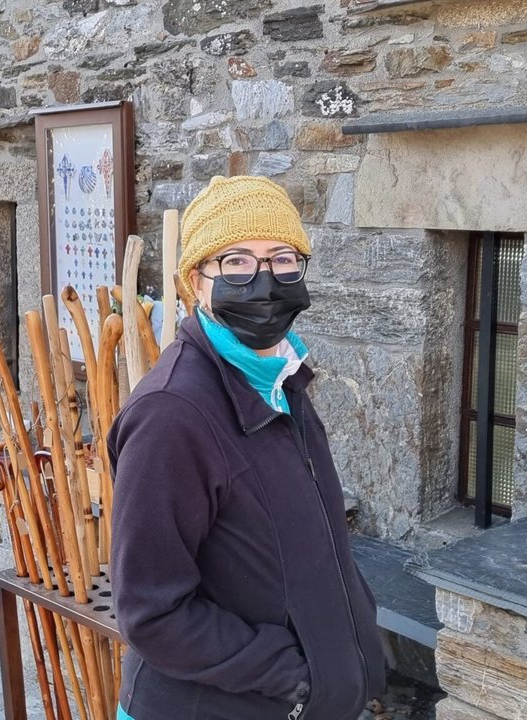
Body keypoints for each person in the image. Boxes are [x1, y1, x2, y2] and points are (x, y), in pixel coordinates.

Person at [108, 176, 387, 720]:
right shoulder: (172, 415)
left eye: (283, 258)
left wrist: (351, 637)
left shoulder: (280, 379)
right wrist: (295, 676)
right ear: (196, 280)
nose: (265, 281)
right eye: (236, 262)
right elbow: (150, 612)